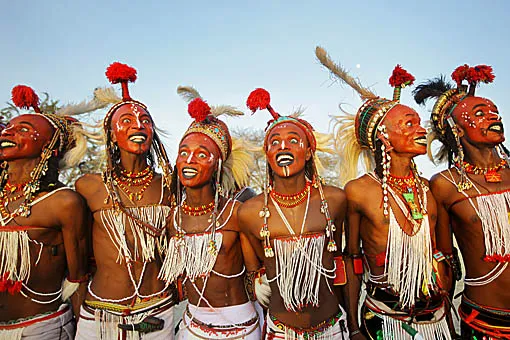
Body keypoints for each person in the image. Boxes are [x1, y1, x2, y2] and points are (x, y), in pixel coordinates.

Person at [316, 46, 452, 339]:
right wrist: (353, 327)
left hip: (437, 320)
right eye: (408, 123)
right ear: (383, 136)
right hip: (383, 320)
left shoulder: (429, 189)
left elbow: (444, 256)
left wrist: (450, 316)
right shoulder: (358, 191)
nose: (421, 130)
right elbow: (351, 261)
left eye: (419, 122)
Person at [75, 62, 176, 340]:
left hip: (156, 313)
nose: (138, 126)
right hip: (98, 313)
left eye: (145, 121)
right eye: (127, 121)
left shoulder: (169, 185)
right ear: (111, 134)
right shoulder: (88, 186)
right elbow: (77, 244)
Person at [238, 87, 349, 339]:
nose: (282, 147)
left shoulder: (334, 200)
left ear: (309, 152)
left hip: (332, 329)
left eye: (293, 140)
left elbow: (343, 261)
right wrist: (256, 281)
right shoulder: (250, 213)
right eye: (274, 142)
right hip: (280, 332)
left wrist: (353, 326)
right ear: (267, 155)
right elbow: (253, 271)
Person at [413, 64, 510, 339]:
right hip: (484, 320)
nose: (493, 117)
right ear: (456, 130)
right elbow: (445, 259)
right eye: (479, 114)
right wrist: (447, 322)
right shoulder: (445, 185)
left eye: (494, 112)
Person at [0, 85, 104, 339]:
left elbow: (78, 278)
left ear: (49, 147)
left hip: (42, 328)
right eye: (9, 127)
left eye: (24, 129)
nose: (9, 131)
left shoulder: (64, 203)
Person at [158, 86, 261, 339]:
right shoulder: (173, 219)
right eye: (184, 153)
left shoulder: (236, 213)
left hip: (241, 327)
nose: (190, 160)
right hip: (192, 326)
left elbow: (255, 274)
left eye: (202, 154)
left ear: (217, 166)